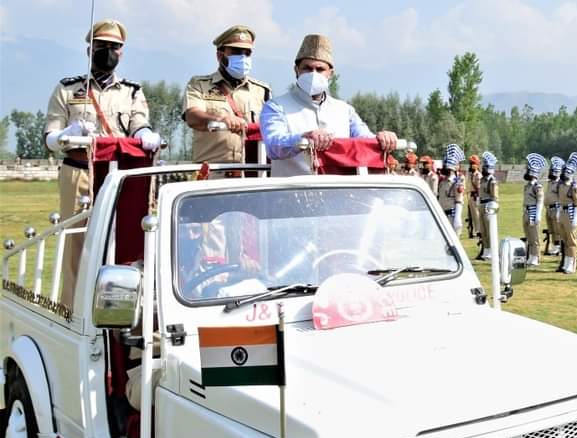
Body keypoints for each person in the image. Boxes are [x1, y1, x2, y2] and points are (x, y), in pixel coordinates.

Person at [43, 19, 162, 308]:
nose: (108, 52)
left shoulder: (132, 91)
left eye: (114, 47)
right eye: (102, 46)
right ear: (89, 50)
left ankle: (116, 310)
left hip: (117, 177)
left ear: (122, 52)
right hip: (80, 172)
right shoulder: (68, 89)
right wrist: (66, 135)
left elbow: (138, 124)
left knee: (120, 242)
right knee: (77, 245)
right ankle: (72, 311)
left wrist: (145, 134)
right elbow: (49, 136)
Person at [260, 34, 397, 177]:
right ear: (296, 70)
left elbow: (364, 141)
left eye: (319, 69)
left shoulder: (344, 110)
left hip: (336, 194)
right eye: (307, 68)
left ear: (330, 74)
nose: (313, 74)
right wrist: (304, 138)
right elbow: (273, 146)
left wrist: (383, 138)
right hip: (290, 194)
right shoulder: (276, 107)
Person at [182, 25, 270, 171]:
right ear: (220, 55)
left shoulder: (262, 91)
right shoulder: (199, 85)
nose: (242, 57)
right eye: (236, 52)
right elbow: (192, 116)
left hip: (253, 174)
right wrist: (219, 119)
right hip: (213, 174)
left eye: (247, 53)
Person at [557, 153, 577, 273]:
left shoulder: (574, 187)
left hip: (570, 212)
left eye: (566, 172)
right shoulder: (561, 185)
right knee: (565, 240)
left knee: (571, 241)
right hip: (562, 212)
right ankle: (566, 262)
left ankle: (572, 264)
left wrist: (575, 218)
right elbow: (560, 200)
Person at [522, 153, 547, 266]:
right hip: (526, 212)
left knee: (535, 237)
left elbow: (540, 201)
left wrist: (538, 215)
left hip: (533, 212)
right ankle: (530, 256)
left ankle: (536, 257)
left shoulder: (538, 186)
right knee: (529, 236)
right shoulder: (527, 186)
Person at [436, 145, 466, 234]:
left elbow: (459, 200)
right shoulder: (442, 181)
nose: (443, 168)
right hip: (442, 214)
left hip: (451, 216)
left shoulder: (457, 180)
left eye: (445, 166)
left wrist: (457, 217)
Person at [477, 152, 499, 260]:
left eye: (485, 167)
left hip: (488, 205)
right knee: (483, 230)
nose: (483, 169)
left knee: (489, 230)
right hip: (481, 204)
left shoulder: (492, 180)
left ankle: (491, 250)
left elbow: (494, 197)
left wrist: (492, 209)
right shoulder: (482, 180)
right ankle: (486, 250)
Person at [545, 157, 564, 256]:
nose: (550, 172)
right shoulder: (550, 183)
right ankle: (554, 245)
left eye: (552, 171)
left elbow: (561, 197)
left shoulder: (559, 184)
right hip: (549, 208)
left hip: (556, 207)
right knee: (551, 229)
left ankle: (559, 246)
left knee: (557, 229)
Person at [466, 154, 482, 238]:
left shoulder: (477, 175)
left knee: (476, 214)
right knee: (471, 215)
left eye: (473, 163)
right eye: (470, 163)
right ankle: (473, 230)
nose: (471, 165)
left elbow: (479, 188)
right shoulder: (470, 174)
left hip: (475, 196)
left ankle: (479, 230)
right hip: (470, 196)